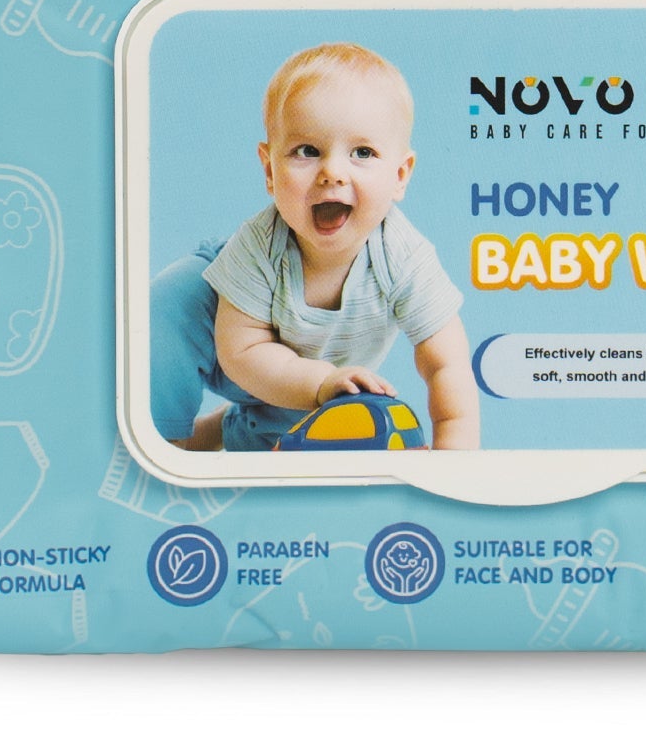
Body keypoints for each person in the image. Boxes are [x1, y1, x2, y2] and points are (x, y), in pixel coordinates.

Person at [150, 43, 479, 451]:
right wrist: (319, 381)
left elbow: (446, 362)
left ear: (400, 175)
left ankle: (226, 429)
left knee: (295, 435)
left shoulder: (404, 257)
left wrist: (455, 453)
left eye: (362, 152)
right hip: (229, 341)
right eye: (307, 151)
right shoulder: (258, 246)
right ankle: (165, 440)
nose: (332, 172)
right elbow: (243, 352)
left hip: (305, 376)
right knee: (167, 309)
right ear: (270, 170)